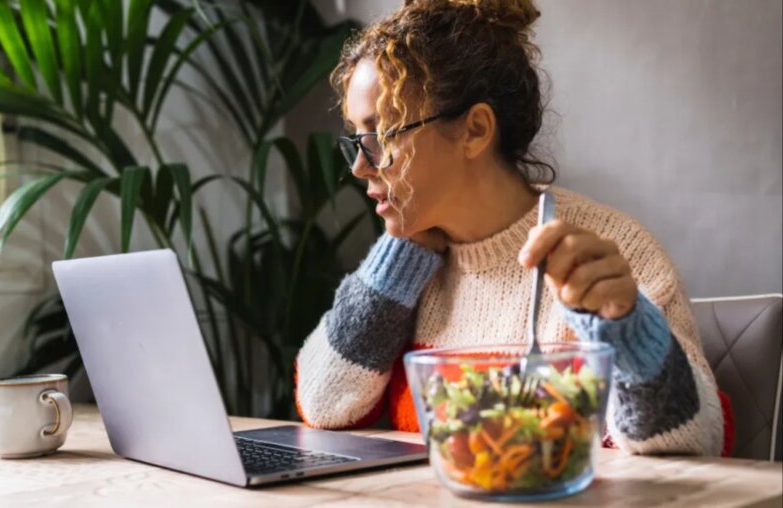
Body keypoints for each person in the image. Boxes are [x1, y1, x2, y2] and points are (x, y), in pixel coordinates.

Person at [294, 0, 724, 455]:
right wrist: (401, 254)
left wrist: (626, 326)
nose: (361, 167)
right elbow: (324, 403)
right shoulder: (413, 264)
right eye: (356, 141)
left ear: (475, 130)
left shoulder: (608, 255)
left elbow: (694, 443)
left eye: (380, 137)